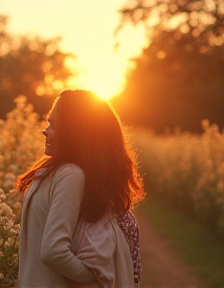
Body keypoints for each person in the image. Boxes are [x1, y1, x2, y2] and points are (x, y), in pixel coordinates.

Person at [17, 89, 145, 288]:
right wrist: (96, 276)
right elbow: (53, 251)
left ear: (74, 131)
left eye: (53, 124)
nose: (45, 130)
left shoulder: (46, 174)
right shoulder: (70, 174)